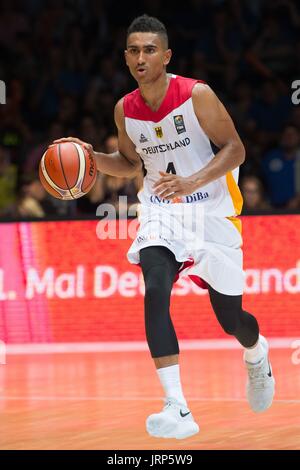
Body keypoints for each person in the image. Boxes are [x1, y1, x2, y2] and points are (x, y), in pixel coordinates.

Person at [53, 15, 275, 440]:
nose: (141, 57)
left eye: (149, 50)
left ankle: (257, 353)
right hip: (161, 210)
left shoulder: (197, 95)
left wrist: (191, 181)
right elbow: (131, 164)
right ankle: (177, 406)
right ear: (125, 57)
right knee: (155, 285)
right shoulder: (125, 109)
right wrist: (91, 158)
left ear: (166, 55)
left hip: (212, 212)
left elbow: (236, 149)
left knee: (233, 321)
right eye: (133, 50)